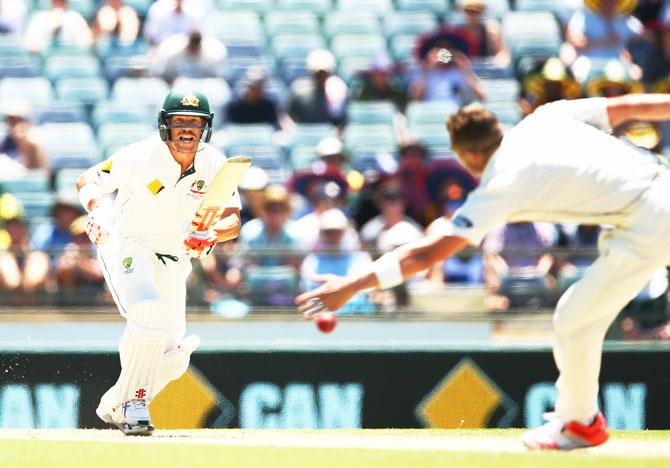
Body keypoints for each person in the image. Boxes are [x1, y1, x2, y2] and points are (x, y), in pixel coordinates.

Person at [296, 93, 670, 450]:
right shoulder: (547, 117)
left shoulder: (501, 183)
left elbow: (427, 254)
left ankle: (580, 424)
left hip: (649, 219)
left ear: (470, 154)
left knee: (575, 320)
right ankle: (580, 420)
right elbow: (629, 106)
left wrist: (352, 285)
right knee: (576, 316)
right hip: (659, 188)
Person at [75, 89, 242, 435]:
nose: (186, 130)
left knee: (175, 357)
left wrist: (211, 235)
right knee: (150, 314)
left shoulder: (213, 163)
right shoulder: (140, 155)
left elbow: (233, 221)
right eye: (179, 121)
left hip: (173, 258)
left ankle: (114, 402)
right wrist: (97, 209)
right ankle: (135, 405)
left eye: (194, 124)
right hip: (126, 245)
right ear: (165, 124)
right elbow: (87, 179)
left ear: (205, 128)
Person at [0, 97, 48, 171]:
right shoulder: (4, 141)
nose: (15, 124)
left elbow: (37, 171)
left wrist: (24, 142)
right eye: (11, 119)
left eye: (18, 119)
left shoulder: (35, 139)